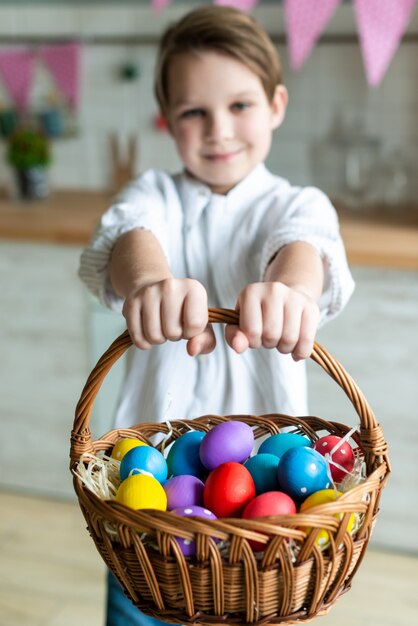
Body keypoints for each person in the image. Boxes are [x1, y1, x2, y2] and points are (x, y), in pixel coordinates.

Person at [79, 6, 355, 626]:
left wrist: (289, 288)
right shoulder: (155, 192)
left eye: (240, 106)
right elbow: (130, 235)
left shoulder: (294, 202)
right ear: (167, 120)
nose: (219, 130)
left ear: (277, 104)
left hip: (267, 509)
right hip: (149, 506)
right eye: (193, 112)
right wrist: (147, 282)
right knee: (138, 612)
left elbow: (302, 246)